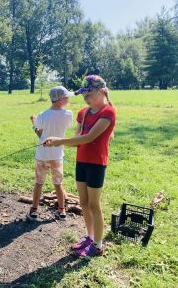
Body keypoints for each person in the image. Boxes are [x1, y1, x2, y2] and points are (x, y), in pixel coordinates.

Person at [43, 75, 116, 257]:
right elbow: (77, 141)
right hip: (81, 161)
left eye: (89, 93)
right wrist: (55, 140)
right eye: (84, 94)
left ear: (101, 91)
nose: (85, 97)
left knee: (94, 204)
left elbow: (89, 138)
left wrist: (60, 141)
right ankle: (90, 237)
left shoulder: (108, 112)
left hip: (97, 164)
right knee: (83, 202)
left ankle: (98, 245)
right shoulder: (83, 113)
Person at [27, 86, 74, 221]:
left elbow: (40, 134)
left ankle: (34, 210)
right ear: (60, 99)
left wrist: (33, 123)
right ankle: (62, 210)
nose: (68, 99)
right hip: (57, 155)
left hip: (42, 155)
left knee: (39, 183)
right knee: (58, 184)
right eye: (66, 97)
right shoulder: (68, 114)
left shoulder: (42, 115)